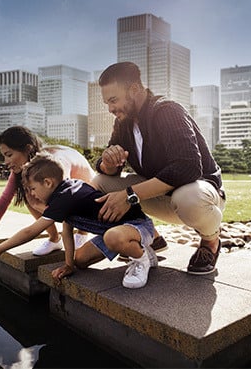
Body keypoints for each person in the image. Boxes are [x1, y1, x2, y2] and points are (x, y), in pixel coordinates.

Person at [93, 61, 226, 275]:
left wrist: (129, 196)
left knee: (188, 197)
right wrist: (106, 163)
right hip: (158, 195)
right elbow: (107, 167)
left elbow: (188, 167)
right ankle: (151, 237)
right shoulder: (123, 122)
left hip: (198, 196)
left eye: (113, 100)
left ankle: (211, 241)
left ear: (134, 89)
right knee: (98, 183)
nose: (110, 108)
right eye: (107, 102)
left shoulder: (167, 110)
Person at [0, 152, 157, 289]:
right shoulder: (64, 194)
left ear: (48, 182)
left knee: (113, 237)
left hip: (138, 227)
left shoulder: (66, 196)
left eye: (33, 188)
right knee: (79, 260)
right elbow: (66, 230)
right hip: (115, 232)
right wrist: (68, 265)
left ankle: (141, 260)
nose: (32, 194)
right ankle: (143, 251)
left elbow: (31, 231)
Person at [0, 126, 95, 274]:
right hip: (68, 200)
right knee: (28, 194)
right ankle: (54, 239)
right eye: (4, 156)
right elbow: (1, 205)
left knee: (56, 205)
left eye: (9, 155)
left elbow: (36, 229)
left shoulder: (54, 166)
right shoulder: (25, 171)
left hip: (89, 190)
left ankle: (83, 233)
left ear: (27, 149)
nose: (5, 162)